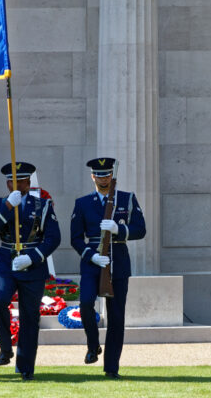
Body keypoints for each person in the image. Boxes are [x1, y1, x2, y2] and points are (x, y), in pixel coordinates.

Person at [0, 161, 61, 381]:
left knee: (29, 316)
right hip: (5, 262)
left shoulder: (42, 205)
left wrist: (32, 257)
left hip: (32, 265)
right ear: (7, 183)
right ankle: (5, 347)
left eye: (21, 180)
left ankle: (26, 366)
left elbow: (54, 238)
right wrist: (7, 207)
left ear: (28, 182)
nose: (16, 184)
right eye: (11, 180)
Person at [69, 157, 146, 379]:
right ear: (92, 176)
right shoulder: (82, 203)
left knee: (116, 317)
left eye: (107, 174)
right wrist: (91, 255)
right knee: (85, 304)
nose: (104, 178)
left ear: (112, 174)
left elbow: (140, 229)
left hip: (118, 262)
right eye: (99, 175)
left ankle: (111, 368)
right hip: (92, 263)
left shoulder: (126, 199)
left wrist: (118, 229)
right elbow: (75, 238)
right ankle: (93, 346)